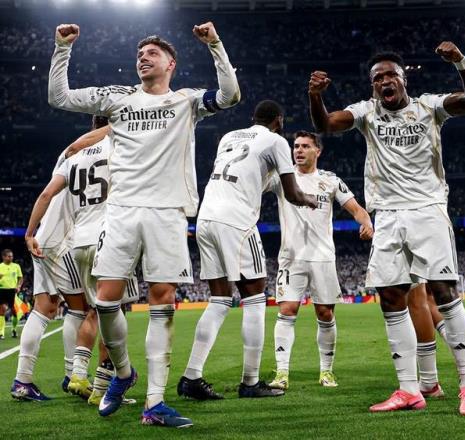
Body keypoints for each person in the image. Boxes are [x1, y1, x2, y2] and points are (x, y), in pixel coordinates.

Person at [48, 21, 240, 427]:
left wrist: (215, 44)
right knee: (105, 301)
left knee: (161, 301)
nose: (143, 58)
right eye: (139, 54)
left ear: (170, 64)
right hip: (121, 210)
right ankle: (122, 372)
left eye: (152, 53)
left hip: (167, 212)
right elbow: (59, 96)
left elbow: (230, 95)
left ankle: (155, 403)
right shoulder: (119, 99)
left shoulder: (186, 101)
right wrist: (63, 48)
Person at [309, 41, 465, 415]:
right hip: (387, 215)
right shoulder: (366, 113)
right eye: (378, 78)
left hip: (427, 210)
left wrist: (461, 63)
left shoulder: (429, 107)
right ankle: (409, 389)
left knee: (444, 292)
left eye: (391, 75)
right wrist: (315, 97)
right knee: (391, 297)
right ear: (372, 85)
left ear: (404, 79)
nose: (385, 81)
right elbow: (325, 124)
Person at [177, 101, 318, 400]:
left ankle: (191, 377)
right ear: (279, 121)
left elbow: (245, 174)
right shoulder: (276, 141)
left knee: (219, 300)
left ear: (253, 117)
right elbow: (292, 193)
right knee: (254, 298)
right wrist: (309, 200)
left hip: (206, 218)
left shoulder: (229, 136)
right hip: (236, 222)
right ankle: (250, 382)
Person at [265, 130, 373, 390]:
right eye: (296, 146)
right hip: (291, 257)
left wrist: (367, 223)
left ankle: (326, 371)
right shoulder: (282, 178)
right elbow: (251, 185)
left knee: (325, 313)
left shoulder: (330, 180)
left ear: (318, 151)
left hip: (322, 258)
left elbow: (356, 208)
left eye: (305, 146)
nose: (298, 151)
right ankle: (281, 373)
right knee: (287, 310)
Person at [10, 130, 103, 401]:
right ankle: (72, 375)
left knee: (45, 308)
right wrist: (117, 123)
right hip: (61, 242)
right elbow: (46, 194)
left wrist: (30, 234)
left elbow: (46, 195)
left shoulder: (69, 154)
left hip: (43, 238)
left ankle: (22, 381)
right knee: (81, 309)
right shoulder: (90, 154)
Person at [0, 249, 23, 339]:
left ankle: (14, 329)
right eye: (9, 256)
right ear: (4, 257)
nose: (11, 258)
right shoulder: (0, 266)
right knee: (1, 310)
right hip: (1, 290)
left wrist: (19, 286)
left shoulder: (16, 266)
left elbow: (20, 278)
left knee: (14, 311)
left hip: (12, 291)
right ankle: (1, 332)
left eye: (12, 256)